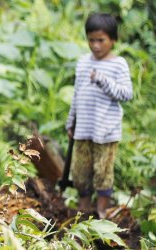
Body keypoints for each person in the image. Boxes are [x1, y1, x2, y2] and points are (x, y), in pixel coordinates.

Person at [65, 13, 133, 219]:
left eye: (101, 40)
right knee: (79, 171)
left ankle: (102, 211)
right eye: (91, 39)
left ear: (113, 40)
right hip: (83, 127)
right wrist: (71, 120)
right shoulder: (83, 62)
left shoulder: (118, 64)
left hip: (106, 129)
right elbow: (77, 93)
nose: (95, 45)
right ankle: (84, 209)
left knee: (102, 171)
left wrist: (103, 80)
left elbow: (126, 94)